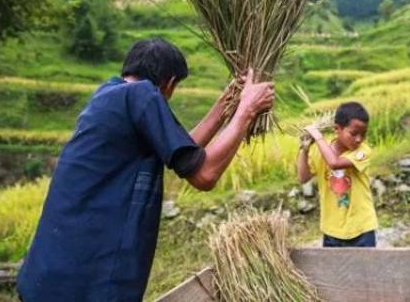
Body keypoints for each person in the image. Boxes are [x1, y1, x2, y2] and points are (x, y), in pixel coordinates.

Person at [17, 38, 274, 301]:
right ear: (169, 84)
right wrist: (247, 110)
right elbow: (204, 174)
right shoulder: (143, 96)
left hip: (45, 277)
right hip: (86, 284)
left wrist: (226, 104)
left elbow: (186, 151)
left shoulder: (110, 96)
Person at [297, 102, 378, 247]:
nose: (359, 139)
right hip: (331, 230)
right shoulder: (320, 151)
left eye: (363, 134)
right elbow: (303, 177)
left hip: (362, 229)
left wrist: (318, 137)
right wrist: (304, 149)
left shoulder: (363, 151)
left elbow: (334, 163)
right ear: (337, 129)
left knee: (365, 270)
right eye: (353, 134)